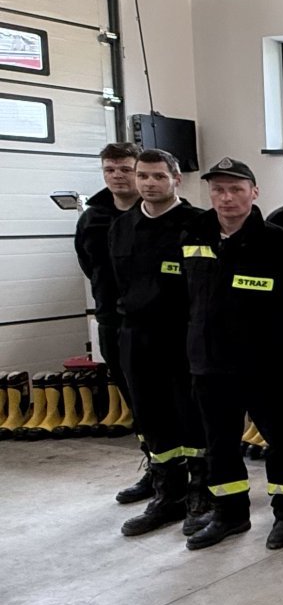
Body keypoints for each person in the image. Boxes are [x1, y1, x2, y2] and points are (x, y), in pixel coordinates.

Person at [180, 158, 283, 551]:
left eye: (236, 189)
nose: (227, 197)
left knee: (282, 441)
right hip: (208, 362)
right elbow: (181, 298)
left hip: (265, 364)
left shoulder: (279, 242)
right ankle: (230, 514)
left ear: (254, 193)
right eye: (219, 189)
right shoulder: (193, 235)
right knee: (219, 444)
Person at [107, 149, 205, 537]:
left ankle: (201, 495)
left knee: (192, 415)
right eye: (143, 176)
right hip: (136, 336)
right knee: (152, 417)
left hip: (183, 335)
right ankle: (168, 496)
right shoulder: (122, 227)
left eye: (158, 176)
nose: (149, 183)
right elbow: (115, 280)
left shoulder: (198, 224)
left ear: (176, 179)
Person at [76, 142, 146, 503]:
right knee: (134, 400)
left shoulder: (154, 213)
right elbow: (88, 265)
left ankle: (194, 475)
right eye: (110, 169)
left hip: (154, 324)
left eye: (125, 169)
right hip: (111, 321)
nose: (117, 176)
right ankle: (156, 468)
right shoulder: (92, 218)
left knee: (173, 402)